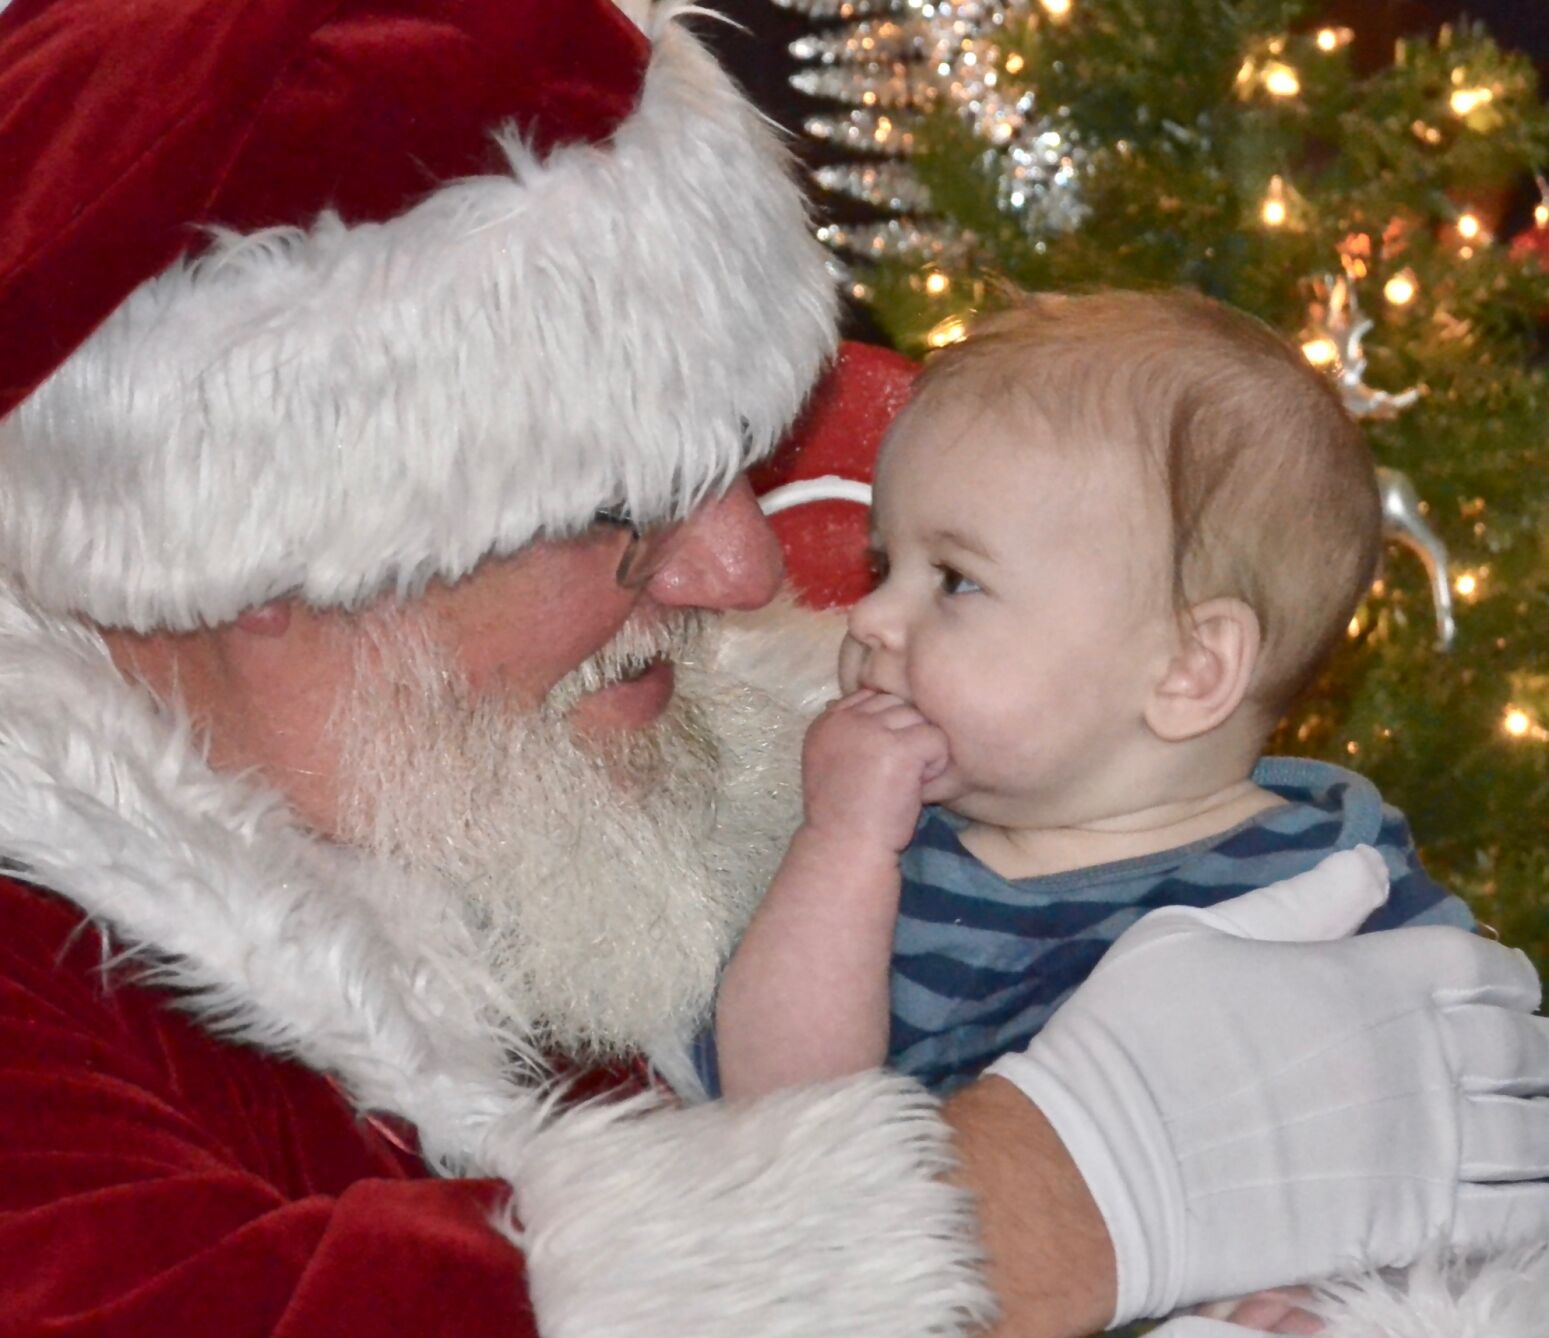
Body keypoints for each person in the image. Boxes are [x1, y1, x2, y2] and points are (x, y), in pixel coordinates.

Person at [1, 3, 1547, 1335]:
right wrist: (1041, 1200)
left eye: (738, 465)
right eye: (622, 507)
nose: (744, 572)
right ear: (263, 554)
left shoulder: (751, 753)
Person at [712, 289, 1471, 1099]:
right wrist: (841, 846)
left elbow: (1473, 1115)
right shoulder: (887, 871)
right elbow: (777, 1114)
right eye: (882, 565)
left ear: (1190, 668)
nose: (867, 617)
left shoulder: (1340, 881)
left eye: (956, 581)